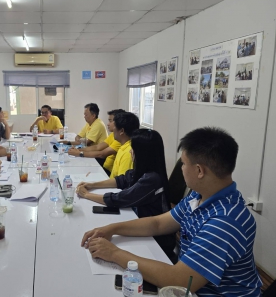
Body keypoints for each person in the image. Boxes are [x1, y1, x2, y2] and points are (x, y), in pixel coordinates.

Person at [81, 127, 262, 295]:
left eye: (183, 164)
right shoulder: (199, 196)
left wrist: (114, 253)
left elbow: (180, 280)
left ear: (199, 170)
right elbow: (158, 223)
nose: (181, 169)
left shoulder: (225, 222)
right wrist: (112, 228)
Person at [77, 129, 175, 257]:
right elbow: (122, 180)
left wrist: (87, 195)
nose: (130, 151)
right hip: (140, 222)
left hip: (155, 239)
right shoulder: (144, 170)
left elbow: (121, 199)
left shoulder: (152, 179)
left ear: (142, 153)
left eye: (133, 149)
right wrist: (92, 185)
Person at [68, 109, 125, 175]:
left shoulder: (119, 138)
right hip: (104, 167)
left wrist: (79, 153)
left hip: (109, 171)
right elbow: (97, 147)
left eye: (110, 121)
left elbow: (102, 154)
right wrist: (78, 150)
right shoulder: (113, 134)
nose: (108, 124)